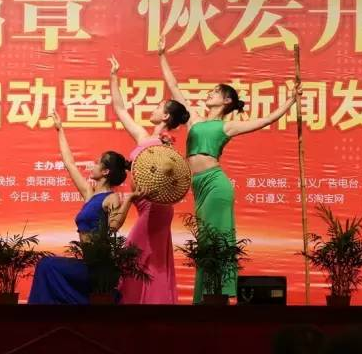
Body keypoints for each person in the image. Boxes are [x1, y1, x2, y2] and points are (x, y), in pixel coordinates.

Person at [158, 36, 303, 303]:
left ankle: (220, 295)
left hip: (216, 185)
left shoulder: (227, 126)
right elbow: (174, 87)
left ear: (226, 101)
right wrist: (162, 55)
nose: (209, 94)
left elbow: (265, 120)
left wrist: (291, 101)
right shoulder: (194, 120)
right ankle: (207, 296)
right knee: (205, 242)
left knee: (217, 240)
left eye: (215, 92)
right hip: (198, 186)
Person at [28, 110, 142, 304]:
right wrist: (60, 130)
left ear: (105, 172)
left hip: (100, 269)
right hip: (88, 264)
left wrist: (129, 199)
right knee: (46, 266)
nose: (93, 165)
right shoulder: (90, 194)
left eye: (97, 163)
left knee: (47, 266)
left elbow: (114, 226)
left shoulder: (111, 198)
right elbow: (70, 164)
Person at [108, 55, 190, 304]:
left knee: (135, 256)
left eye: (158, 107)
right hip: (148, 206)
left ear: (165, 117)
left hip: (155, 208)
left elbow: (172, 180)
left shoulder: (160, 145)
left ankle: (142, 303)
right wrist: (114, 76)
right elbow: (120, 109)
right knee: (147, 258)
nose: (153, 109)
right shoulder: (152, 140)